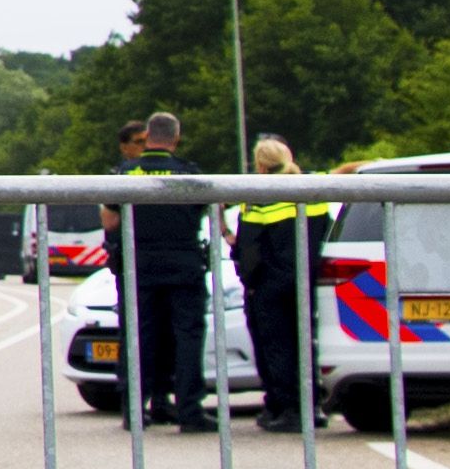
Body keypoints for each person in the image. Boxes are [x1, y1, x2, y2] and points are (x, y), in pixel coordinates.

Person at [121, 112, 217, 433]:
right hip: (183, 263)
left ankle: (135, 410)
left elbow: (109, 220)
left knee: (140, 336)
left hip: (141, 265)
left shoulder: (126, 173)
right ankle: (189, 410)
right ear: (176, 139)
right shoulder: (188, 174)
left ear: (147, 136)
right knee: (187, 336)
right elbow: (204, 210)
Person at [233, 136, 334, 434]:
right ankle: (311, 407)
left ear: (261, 166)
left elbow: (249, 248)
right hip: (306, 279)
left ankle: (285, 407)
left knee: (276, 347)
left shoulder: (258, 196)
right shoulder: (312, 190)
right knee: (305, 342)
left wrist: (249, 281)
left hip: (269, 284)